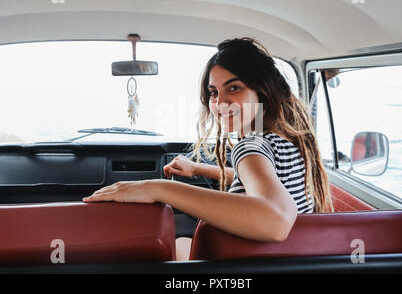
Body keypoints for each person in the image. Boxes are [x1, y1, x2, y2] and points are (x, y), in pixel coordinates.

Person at [83, 37, 334, 261]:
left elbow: (277, 219)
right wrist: (196, 169)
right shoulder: (292, 143)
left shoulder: (250, 147)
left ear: (263, 92)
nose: (220, 102)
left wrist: (158, 188)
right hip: (283, 263)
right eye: (214, 92)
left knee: (175, 243)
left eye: (234, 88)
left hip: (240, 266)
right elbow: (259, 181)